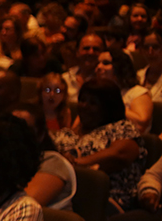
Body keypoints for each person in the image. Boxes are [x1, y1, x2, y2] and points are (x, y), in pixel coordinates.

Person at [53, 79, 147, 212]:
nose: (84, 106)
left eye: (93, 103)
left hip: (107, 202)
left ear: (108, 107)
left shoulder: (121, 128)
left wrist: (75, 163)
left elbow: (120, 154)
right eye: (82, 100)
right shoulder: (67, 134)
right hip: (62, 196)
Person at [10, 103, 76, 210]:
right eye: (11, 129)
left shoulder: (53, 162)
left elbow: (21, 207)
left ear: (40, 135)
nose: (16, 135)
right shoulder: (5, 161)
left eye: (25, 129)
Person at [96, 48, 152, 133]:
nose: (98, 67)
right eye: (98, 63)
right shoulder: (96, 93)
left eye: (106, 63)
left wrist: (112, 103)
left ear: (120, 66)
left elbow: (140, 125)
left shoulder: (137, 92)